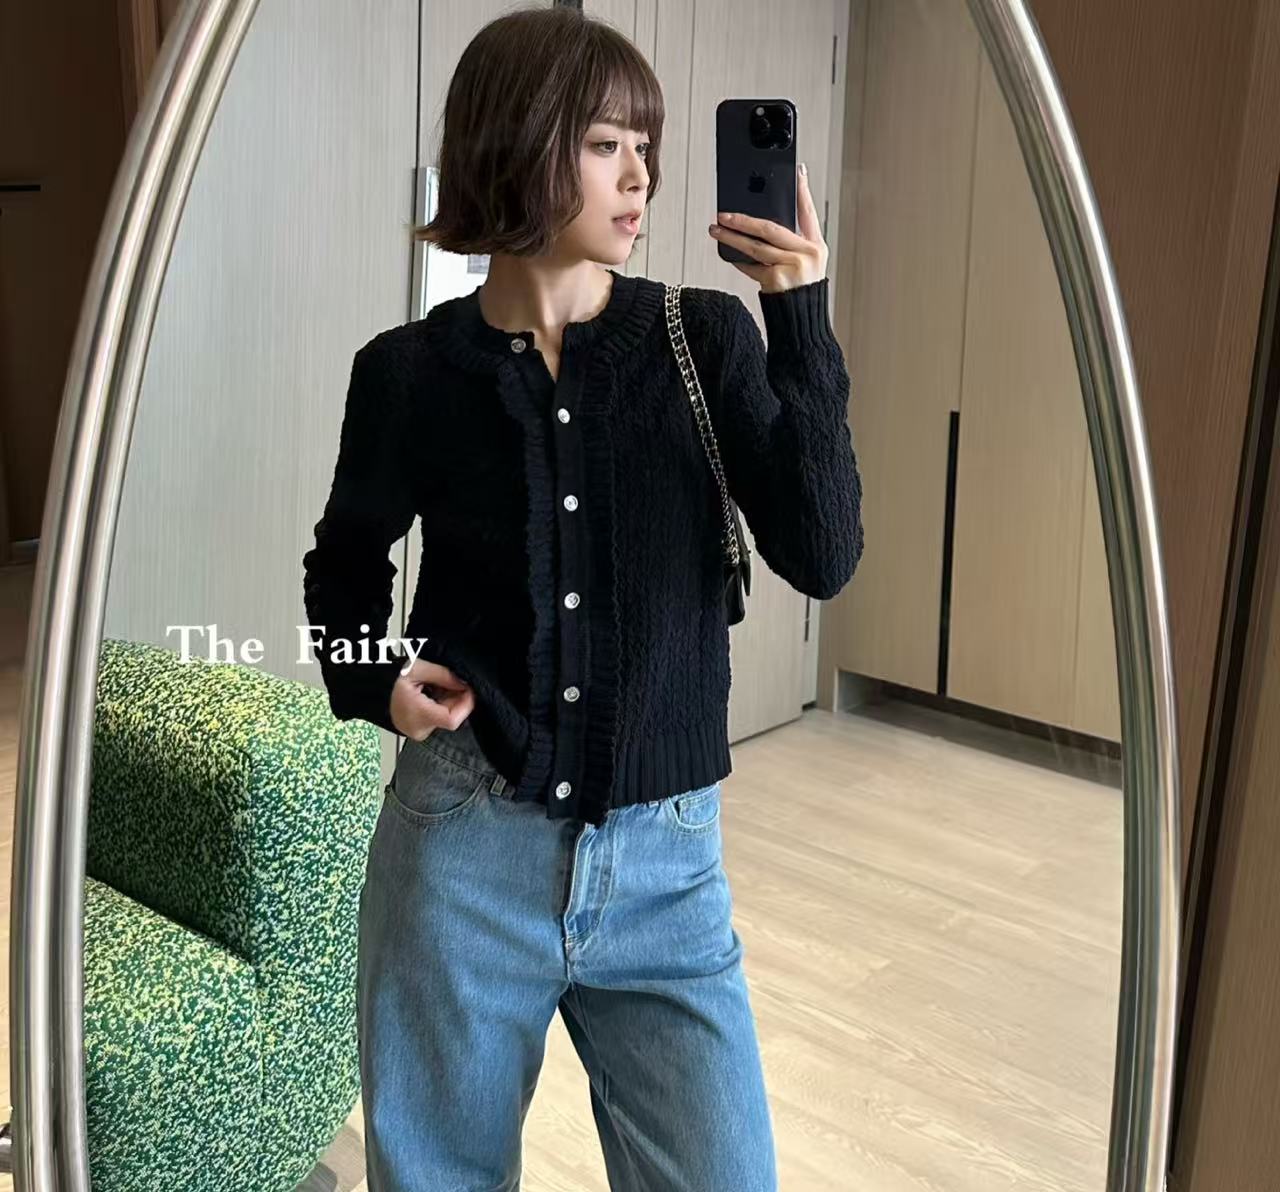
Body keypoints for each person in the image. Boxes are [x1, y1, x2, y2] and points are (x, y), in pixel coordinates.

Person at [301, 7, 863, 1189]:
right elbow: (341, 569)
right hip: (460, 855)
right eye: (607, 144)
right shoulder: (406, 373)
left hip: (669, 869)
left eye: (643, 146)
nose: (640, 174)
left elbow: (822, 555)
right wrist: (373, 678)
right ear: (516, 144)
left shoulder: (704, 339)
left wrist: (799, 314)